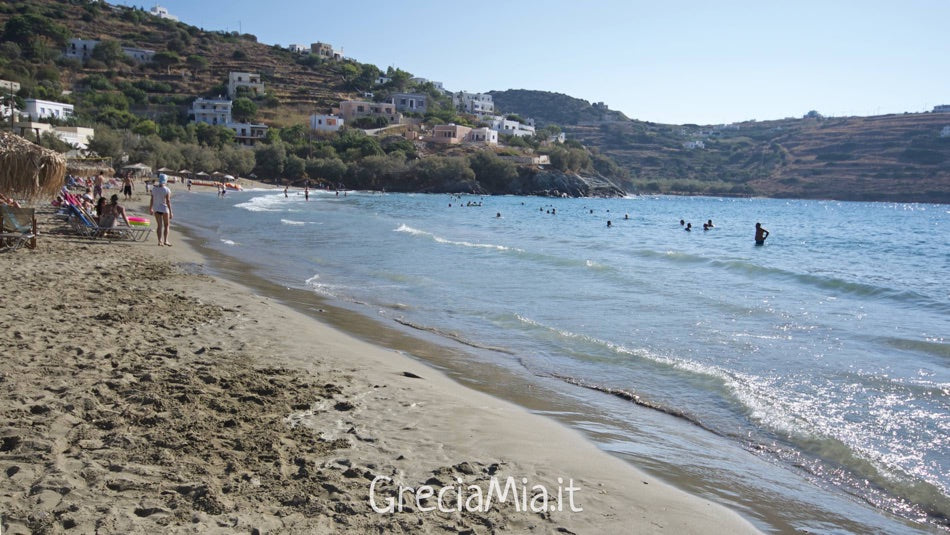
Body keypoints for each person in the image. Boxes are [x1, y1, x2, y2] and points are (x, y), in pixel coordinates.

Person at [150, 174, 172, 246]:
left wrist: (151, 208)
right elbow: (168, 201)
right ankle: (166, 240)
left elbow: (152, 199)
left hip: (156, 208)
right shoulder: (167, 189)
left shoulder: (154, 189)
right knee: (166, 225)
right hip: (165, 208)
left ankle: (160, 241)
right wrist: (171, 212)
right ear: (165, 181)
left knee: (159, 226)